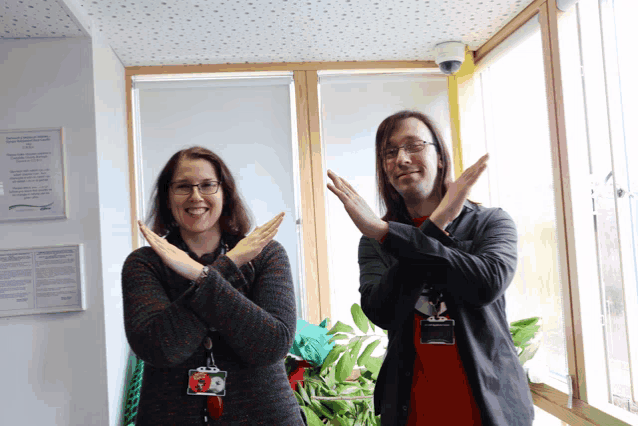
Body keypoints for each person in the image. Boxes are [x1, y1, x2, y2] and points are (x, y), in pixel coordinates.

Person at [326, 110, 534, 425]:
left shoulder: (491, 222)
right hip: (413, 410)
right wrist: (436, 224)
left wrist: (390, 235)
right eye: (390, 153)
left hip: (490, 409)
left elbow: (486, 283)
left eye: (414, 145)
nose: (402, 158)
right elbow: (382, 311)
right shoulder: (373, 241)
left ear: (439, 156)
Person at [121, 146, 307, 425]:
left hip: (265, 416)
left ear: (225, 193)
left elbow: (272, 344)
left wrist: (200, 274)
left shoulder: (266, 254)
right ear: (167, 196)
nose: (196, 196)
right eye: (183, 186)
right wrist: (227, 265)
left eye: (208, 185)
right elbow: (160, 348)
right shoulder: (145, 263)